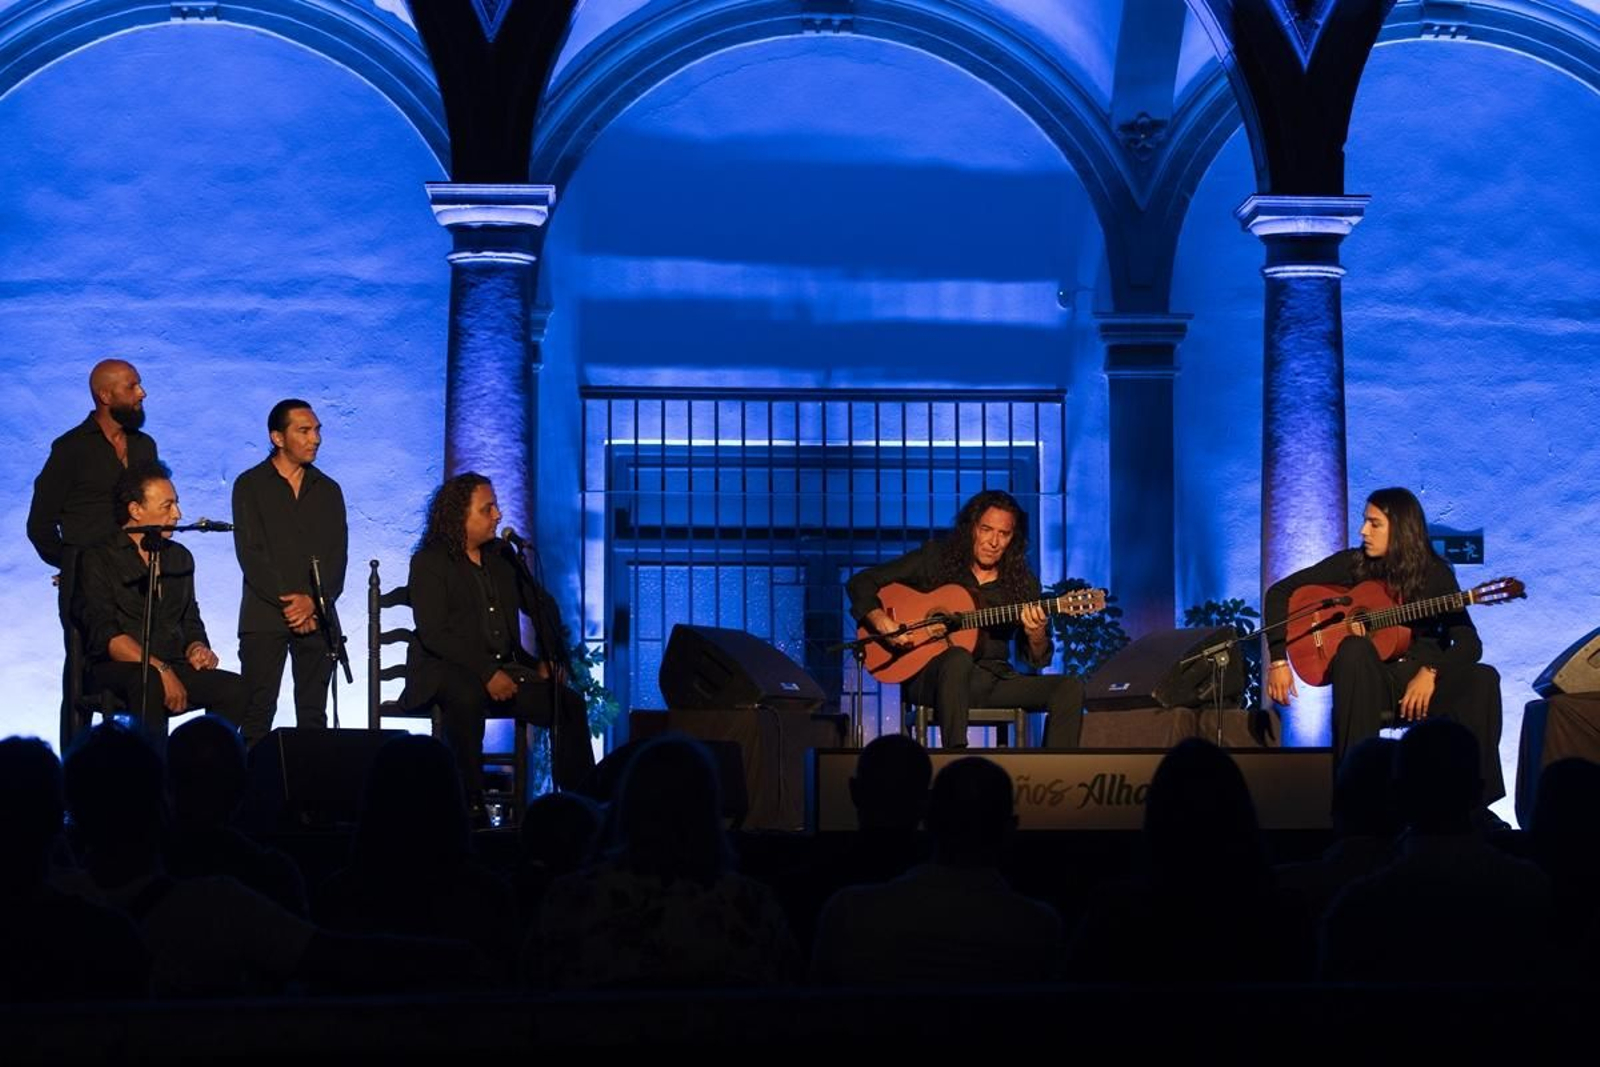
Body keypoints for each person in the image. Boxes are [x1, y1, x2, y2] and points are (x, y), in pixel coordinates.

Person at [1264, 487, 1505, 805]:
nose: (1364, 531)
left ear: (1401, 528)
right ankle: (1356, 800)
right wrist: (1279, 660)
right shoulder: (1353, 564)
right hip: (1370, 682)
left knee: (1483, 678)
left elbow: (1469, 643)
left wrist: (1432, 671)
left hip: (1424, 684)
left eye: (1374, 523)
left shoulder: (1435, 575)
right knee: (1354, 648)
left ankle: (1476, 805)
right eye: (1365, 522)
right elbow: (1280, 592)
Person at [404, 472, 595, 810]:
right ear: (459, 515)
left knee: (566, 703)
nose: (498, 515)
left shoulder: (501, 557)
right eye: (487, 508)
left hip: (506, 671)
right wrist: (486, 670)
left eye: (495, 507)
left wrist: (550, 657)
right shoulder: (429, 562)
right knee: (467, 692)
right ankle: (468, 801)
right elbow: (434, 633)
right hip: (448, 669)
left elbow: (541, 605)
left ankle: (582, 801)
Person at [846, 489, 1084, 748]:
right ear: (971, 528)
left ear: (1012, 539)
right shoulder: (935, 560)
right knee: (957, 657)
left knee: (1069, 688)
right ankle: (956, 762)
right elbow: (862, 582)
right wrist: (882, 621)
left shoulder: (1022, 584)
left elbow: (1038, 659)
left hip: (991, 681)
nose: (993, 542)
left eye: (1003, 534)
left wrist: (1036, 633)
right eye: (986, 529)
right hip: (932, 680)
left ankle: (1056, 779)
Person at [27, 359, 159, 738]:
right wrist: (73, 562)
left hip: (136, 578)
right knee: (82, 676)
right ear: (105, 395)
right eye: (132, 386)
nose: (142, 393)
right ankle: (74, 775)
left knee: (141, 666)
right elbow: (39, 524)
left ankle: (141, 766)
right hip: (86, 584)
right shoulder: (70, 449)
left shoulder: (144, 446)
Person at [73, 461, 248, 736]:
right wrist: (161, 669)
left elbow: (190, 618)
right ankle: (151, 772)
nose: (178, 514)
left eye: (176, 504)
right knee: (149, 681)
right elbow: (106, 635)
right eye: (167, 506)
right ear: (136, 510)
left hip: (170, 663)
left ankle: (196, 766)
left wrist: (196, 647)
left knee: (235, 689)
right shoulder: (98, 558)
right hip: (115, 668)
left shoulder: (179, 557)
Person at [231, 399, 348, 745]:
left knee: (314, 716)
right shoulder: (250, 485)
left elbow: (336, 556)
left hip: (318, 615)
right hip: (264, 615)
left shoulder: (328, 490)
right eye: (304, 431)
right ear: (278, 438)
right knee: (257, 711)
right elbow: (251, 554)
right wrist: (292, 603)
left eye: (317, 430)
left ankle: (311, 795)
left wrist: (313, 602)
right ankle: (250, 793)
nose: (315, 439)